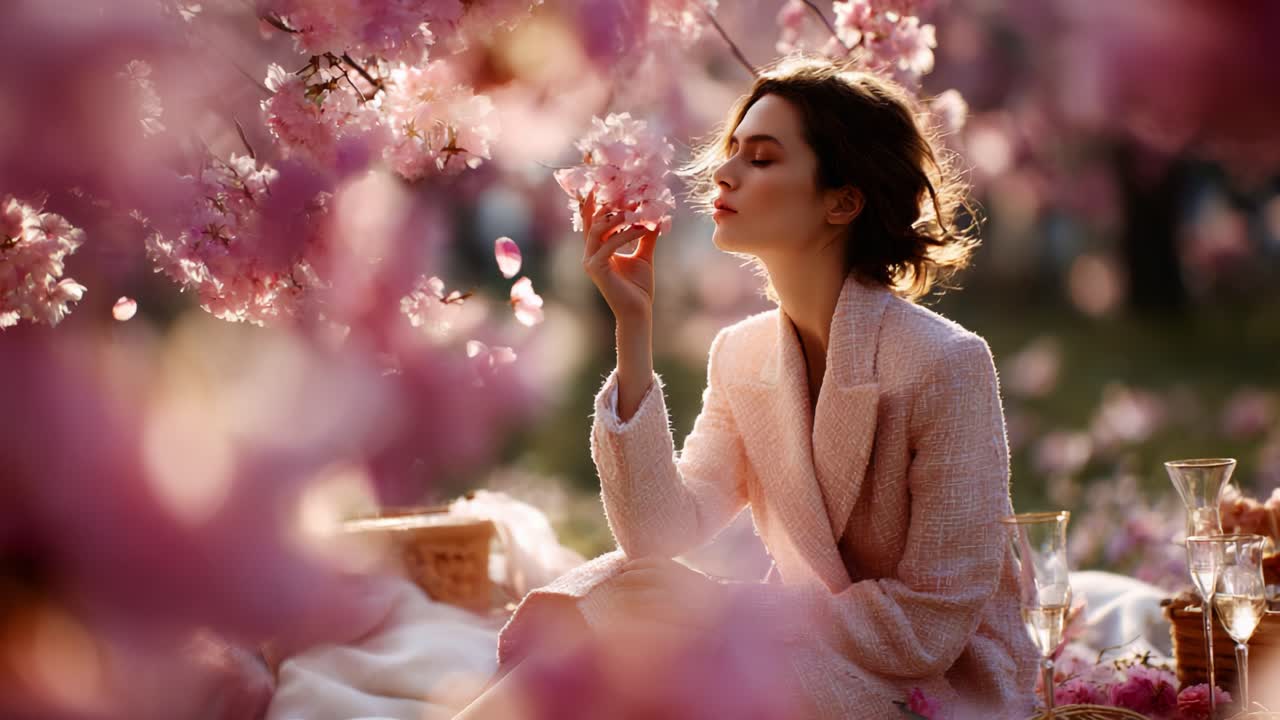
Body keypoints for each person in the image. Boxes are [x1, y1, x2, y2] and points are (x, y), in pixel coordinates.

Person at [456, 54, 1038, 719]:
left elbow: (928, 626)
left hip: (930, 685)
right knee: (628, 595)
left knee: (650, 631)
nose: (724, 173)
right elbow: (657, 533)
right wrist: (634, 326)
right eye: (731, 152)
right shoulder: (743, 353)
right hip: (812, 646)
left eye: (761, 159)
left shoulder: (946, 363)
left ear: (843, 201)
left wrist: (724, 608)